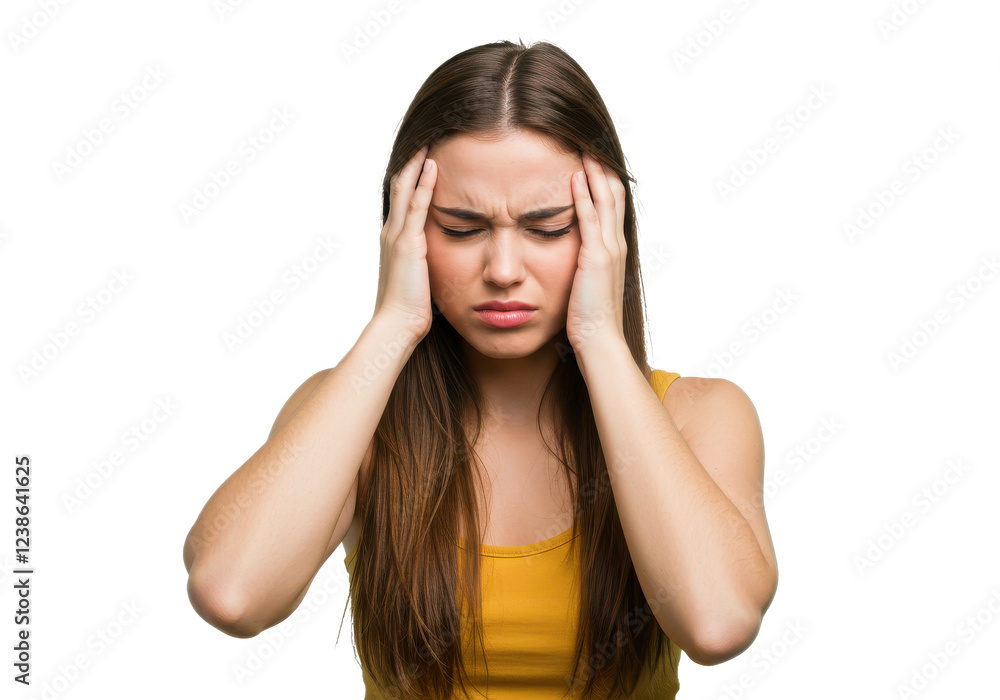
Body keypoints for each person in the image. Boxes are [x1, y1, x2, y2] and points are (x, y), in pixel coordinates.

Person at [183, 38, 778, 700]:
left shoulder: (701, 416)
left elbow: (719, 623)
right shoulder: (349, 414)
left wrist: (601, 339)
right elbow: (232, 593)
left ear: (607, 233)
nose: (501, 271)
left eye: (548, 228)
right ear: (407, 232)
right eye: (461, 229)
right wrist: (392, 324)